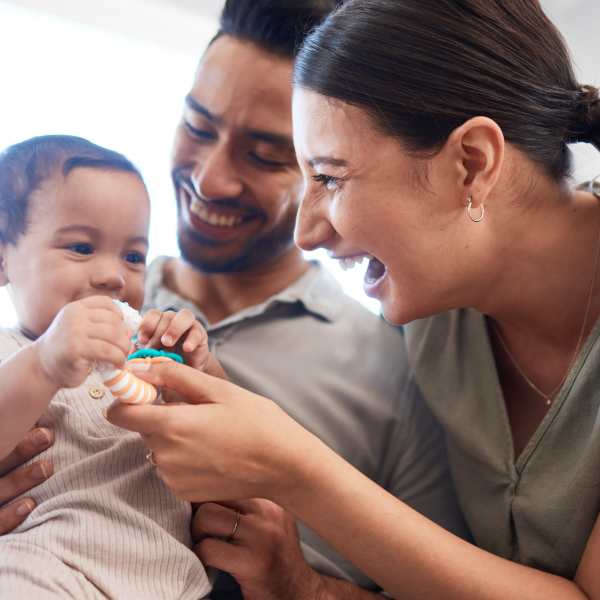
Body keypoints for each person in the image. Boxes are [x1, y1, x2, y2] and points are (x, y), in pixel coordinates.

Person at [104, 0, 600, 598]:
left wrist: (291, 468)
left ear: (472, 163)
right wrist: (301, 583)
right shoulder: (435, 322)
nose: (306, 233)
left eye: (331, 178)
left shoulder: (398, 358)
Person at [1, 2, 468, 599]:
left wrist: (300, 584)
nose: (211, 180)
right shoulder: (59, 310)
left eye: (267, 154)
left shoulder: (395, 369)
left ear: (325, 172)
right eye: (197, 127)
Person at [0, 135, 216, 599]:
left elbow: (225, 449)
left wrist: (200, 373)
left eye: (134, 256)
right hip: (45, 566)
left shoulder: (147, 360)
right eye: (80, 247)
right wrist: (43, 365)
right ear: (3, 257)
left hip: (173, 579)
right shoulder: (12, 354)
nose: (113, 275)